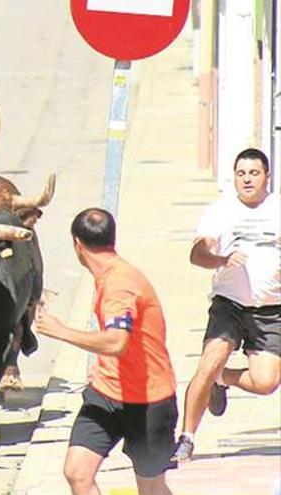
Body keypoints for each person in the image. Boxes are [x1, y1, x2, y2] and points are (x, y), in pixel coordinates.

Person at [35, 208, 178, 495]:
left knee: (151, 487)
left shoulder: (119, 284)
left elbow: (116, 342)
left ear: (77, 244)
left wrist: (60, 331)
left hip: (148, 401)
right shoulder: (109, 276)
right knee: (77, 472)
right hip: (106, 394)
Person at [172, 148, 280, 463]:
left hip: (271, 310)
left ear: (267, 177)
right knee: (208, 362)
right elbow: (198, 253)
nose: (247, 179)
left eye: (254, 173)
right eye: (241, 173)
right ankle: (186, 438)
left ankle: (224, 379)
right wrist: (220, 258)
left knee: (266, 382)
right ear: (234, 177)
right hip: (229, 305)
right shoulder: (220, 211)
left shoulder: (277, 208)